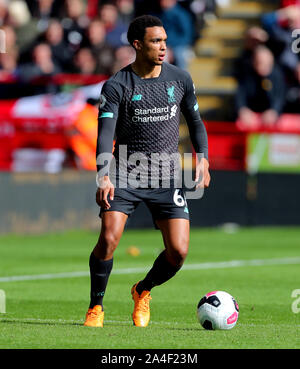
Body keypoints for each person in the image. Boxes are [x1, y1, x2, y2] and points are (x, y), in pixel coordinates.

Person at [83, 15, 210, 328]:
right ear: (137, 45)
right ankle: (96, 307)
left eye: (165, 41)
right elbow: (104, 134)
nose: (163, 47)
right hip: (125, 172)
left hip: (166, 176)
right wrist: (104, 174)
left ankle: (142, 290)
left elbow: (195, 122)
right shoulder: (116, 86)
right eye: (156, 41)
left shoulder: (180, 78)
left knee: (178, 252)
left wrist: (202, 158)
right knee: (109, 239)